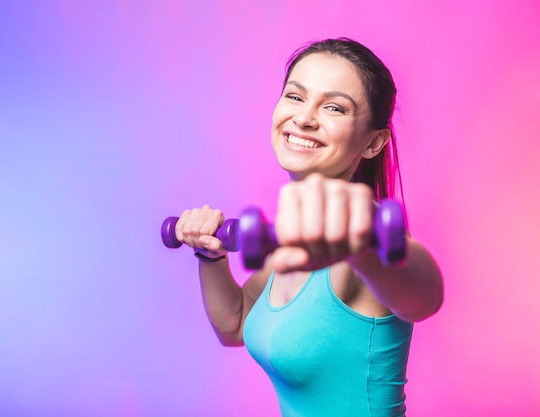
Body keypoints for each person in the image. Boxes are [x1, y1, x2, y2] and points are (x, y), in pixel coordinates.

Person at [174, 37, 444, 417]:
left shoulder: (362, 232)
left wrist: (362, 242)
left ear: (373, 142)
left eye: (334, 107)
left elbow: (425, 297)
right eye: (296, 97)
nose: (303, 118)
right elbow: (234, 326)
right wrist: (210, 253)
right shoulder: (291, 235)